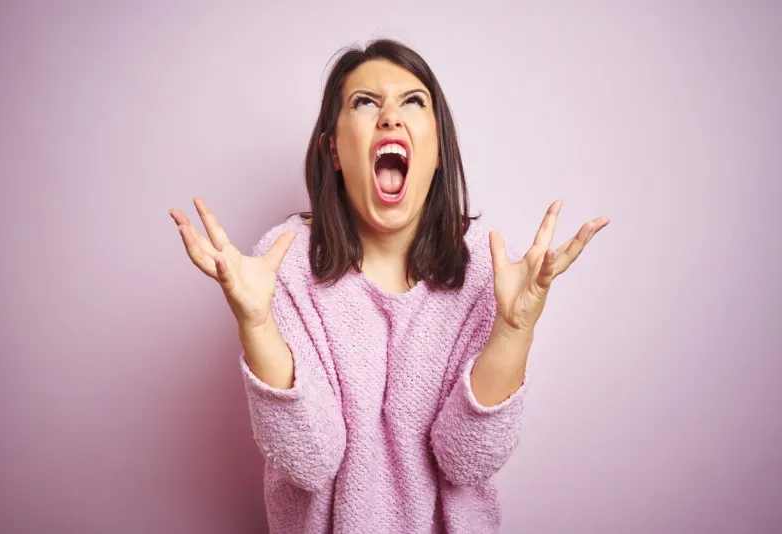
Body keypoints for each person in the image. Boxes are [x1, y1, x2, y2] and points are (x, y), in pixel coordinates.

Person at [169, 38, 608, 534]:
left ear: (439, 148)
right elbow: (310, 461)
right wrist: (257, 323)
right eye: (365, 103)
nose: (390, 118)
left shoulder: (486, 267)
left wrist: (515, 329)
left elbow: (466, 462)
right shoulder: (284, 263)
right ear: (332, 149)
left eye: (412, 101)